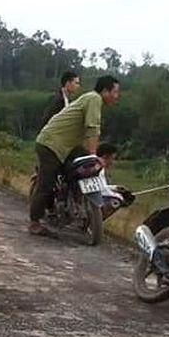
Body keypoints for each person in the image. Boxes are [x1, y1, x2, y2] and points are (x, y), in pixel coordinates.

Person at [29, 75, 120, 237]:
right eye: (115, 92)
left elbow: (89, 133)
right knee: (46, 184)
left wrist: (91, 156)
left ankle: (77, 201)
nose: (116, 96)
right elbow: (92, 129)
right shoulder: (94, 99)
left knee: (80, 169)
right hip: (51, 143)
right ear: (105, 91)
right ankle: (34, 223)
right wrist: (93, 156)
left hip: (66, 145)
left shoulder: (92, 100)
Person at [96, 142, 135, 220]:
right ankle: (94, 222)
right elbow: (102, 191)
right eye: (112, 158)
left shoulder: (96, 166)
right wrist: (120, 197)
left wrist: (115, 188)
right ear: (105, 156)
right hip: (94, 200)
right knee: (116, 201)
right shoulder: (97, 168)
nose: (112, 162)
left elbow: (101, 186)